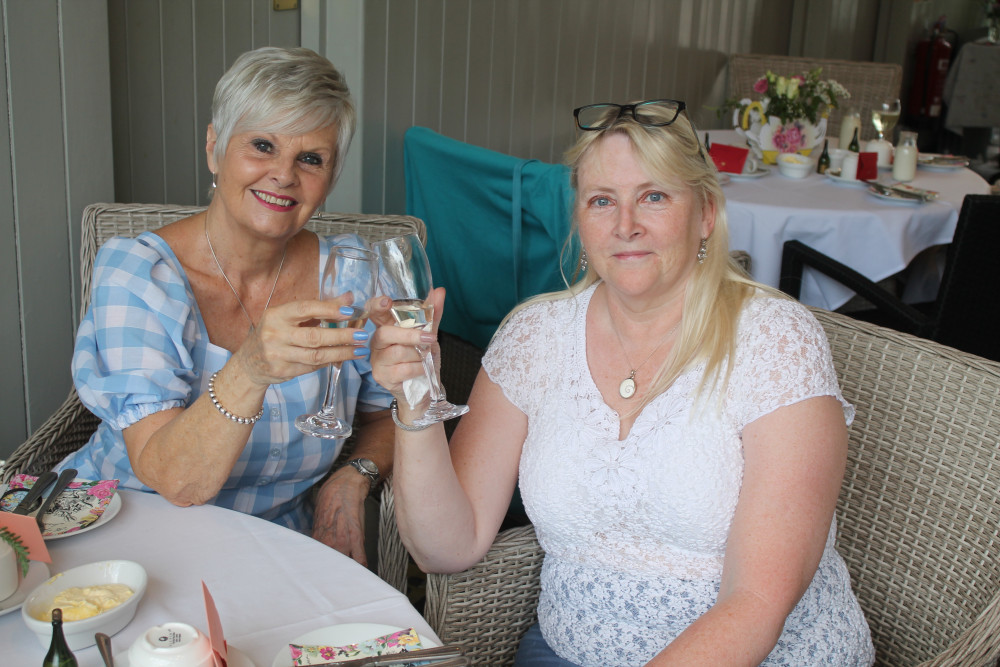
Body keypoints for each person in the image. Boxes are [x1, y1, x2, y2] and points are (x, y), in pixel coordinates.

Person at [369, 99, 874, 665]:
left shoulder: (774, 341)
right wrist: (415, 393)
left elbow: (756, 601)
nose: (626, 225)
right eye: (602, 200)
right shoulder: (534, 336)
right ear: (579, 221)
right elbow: (446, 547)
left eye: (654, 196)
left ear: (706, 213)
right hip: (568, 652)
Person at [58, 47, 392, 565]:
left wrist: (353, 479)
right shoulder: (140, 274)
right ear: (215, 148)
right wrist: (251, 368)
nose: (283, 175)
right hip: (125, 534)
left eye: (310, 158)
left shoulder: (353, 276)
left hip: (273, 547)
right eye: (262, 145)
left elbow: (388, 413)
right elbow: (177, 482)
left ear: (330, 176)